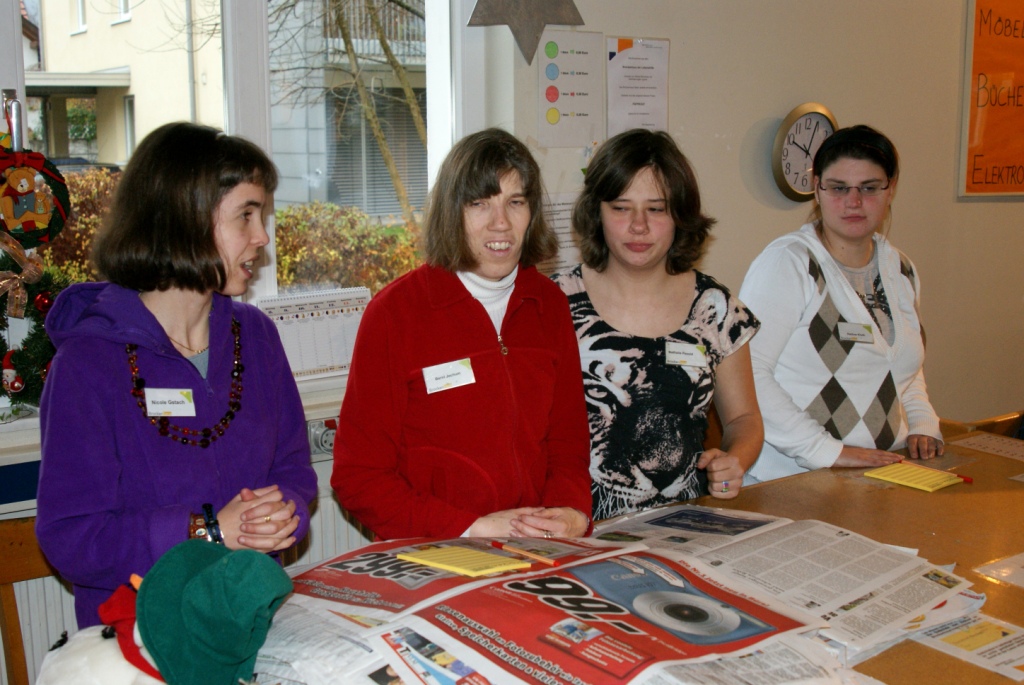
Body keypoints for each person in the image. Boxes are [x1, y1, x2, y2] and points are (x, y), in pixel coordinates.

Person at [35, 122, 317, 628]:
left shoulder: (256, 337)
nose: (262, 237)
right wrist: (206, 531)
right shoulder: (87, 363)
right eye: (246, 216)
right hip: (145, 633)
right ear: (185, 219)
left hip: (250, 613)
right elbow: (73, 537)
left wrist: (282, 514)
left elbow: (293, 470)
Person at [332, 128, 592, 540]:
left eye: (515, 202)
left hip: (536, 547)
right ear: (452, 212)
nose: (500, 223)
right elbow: (359, 477)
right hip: (434, 548)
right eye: (479, 203)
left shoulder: (549, 305)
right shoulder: (394, 315)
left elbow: (567, 443)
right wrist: (472, 528)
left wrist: (571, 510)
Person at [553, 129, 764, 521]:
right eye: (621, 207)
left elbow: (744, 419)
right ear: (596, 212)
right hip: (579, 527)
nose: (639, 226)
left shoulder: (716, 309)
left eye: (656, 209)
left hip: (687, 522)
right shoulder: (553, 303)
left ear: (680, 215)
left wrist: (734, 459)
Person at [739, 124, 943, 484]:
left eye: (869, 187)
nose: (853, 201)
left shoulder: (900, 268)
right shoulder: (789, 263)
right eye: (838, 188)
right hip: (793, 478)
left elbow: (901, 365)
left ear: (890, 189)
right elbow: (747, 373)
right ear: (817, 189)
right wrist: (826, 450)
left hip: (882, 474)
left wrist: (921, 422)